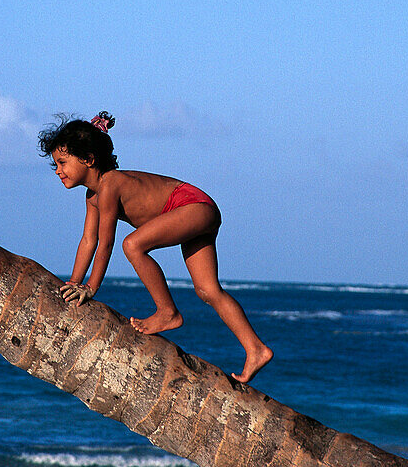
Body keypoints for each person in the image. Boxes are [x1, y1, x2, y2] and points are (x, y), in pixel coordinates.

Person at [38, 111, 274, 383]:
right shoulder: (92, 196)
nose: (58, 170)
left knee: (132, 244)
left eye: (63, 162)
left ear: (88, 159)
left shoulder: (110, 183)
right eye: (56, 164)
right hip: (198, 210)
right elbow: (88, 240)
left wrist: (91, 287)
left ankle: (167, 312)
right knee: (208, 290)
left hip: (191, 206)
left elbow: (107, 242)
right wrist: (74, 283)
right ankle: (256, 349)